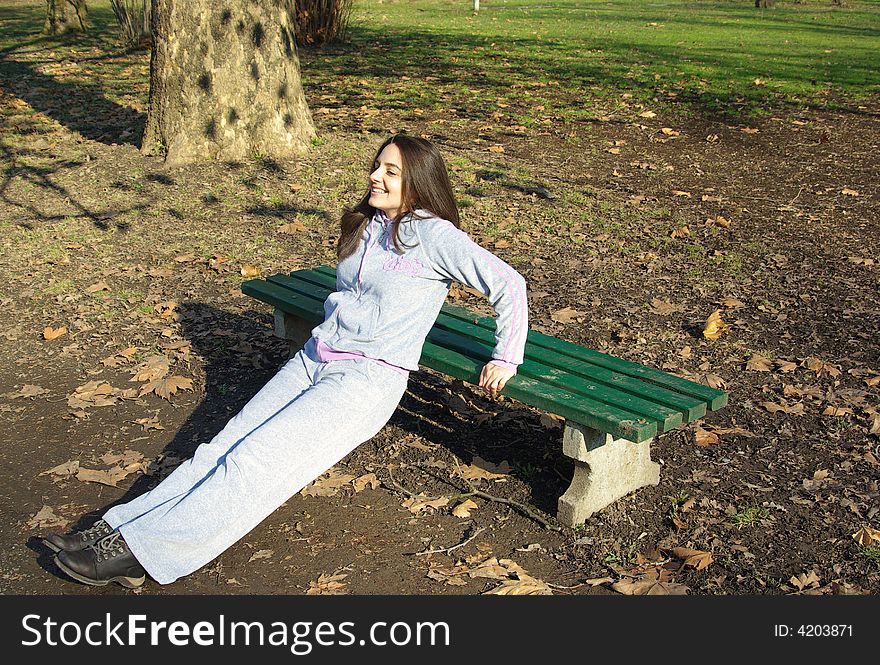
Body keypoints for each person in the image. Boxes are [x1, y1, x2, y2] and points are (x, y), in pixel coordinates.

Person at [43, 134, 529, 588]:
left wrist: (505, 356)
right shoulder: (369, 224)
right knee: (223, 447)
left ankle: (145, 553)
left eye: (392, 172)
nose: (377, 178)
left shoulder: (435, 235)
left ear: (419, 183)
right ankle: (120, 529)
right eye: (377, 167)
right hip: (314, 359)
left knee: (255, 464)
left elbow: (509, 285)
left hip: (365, 380)